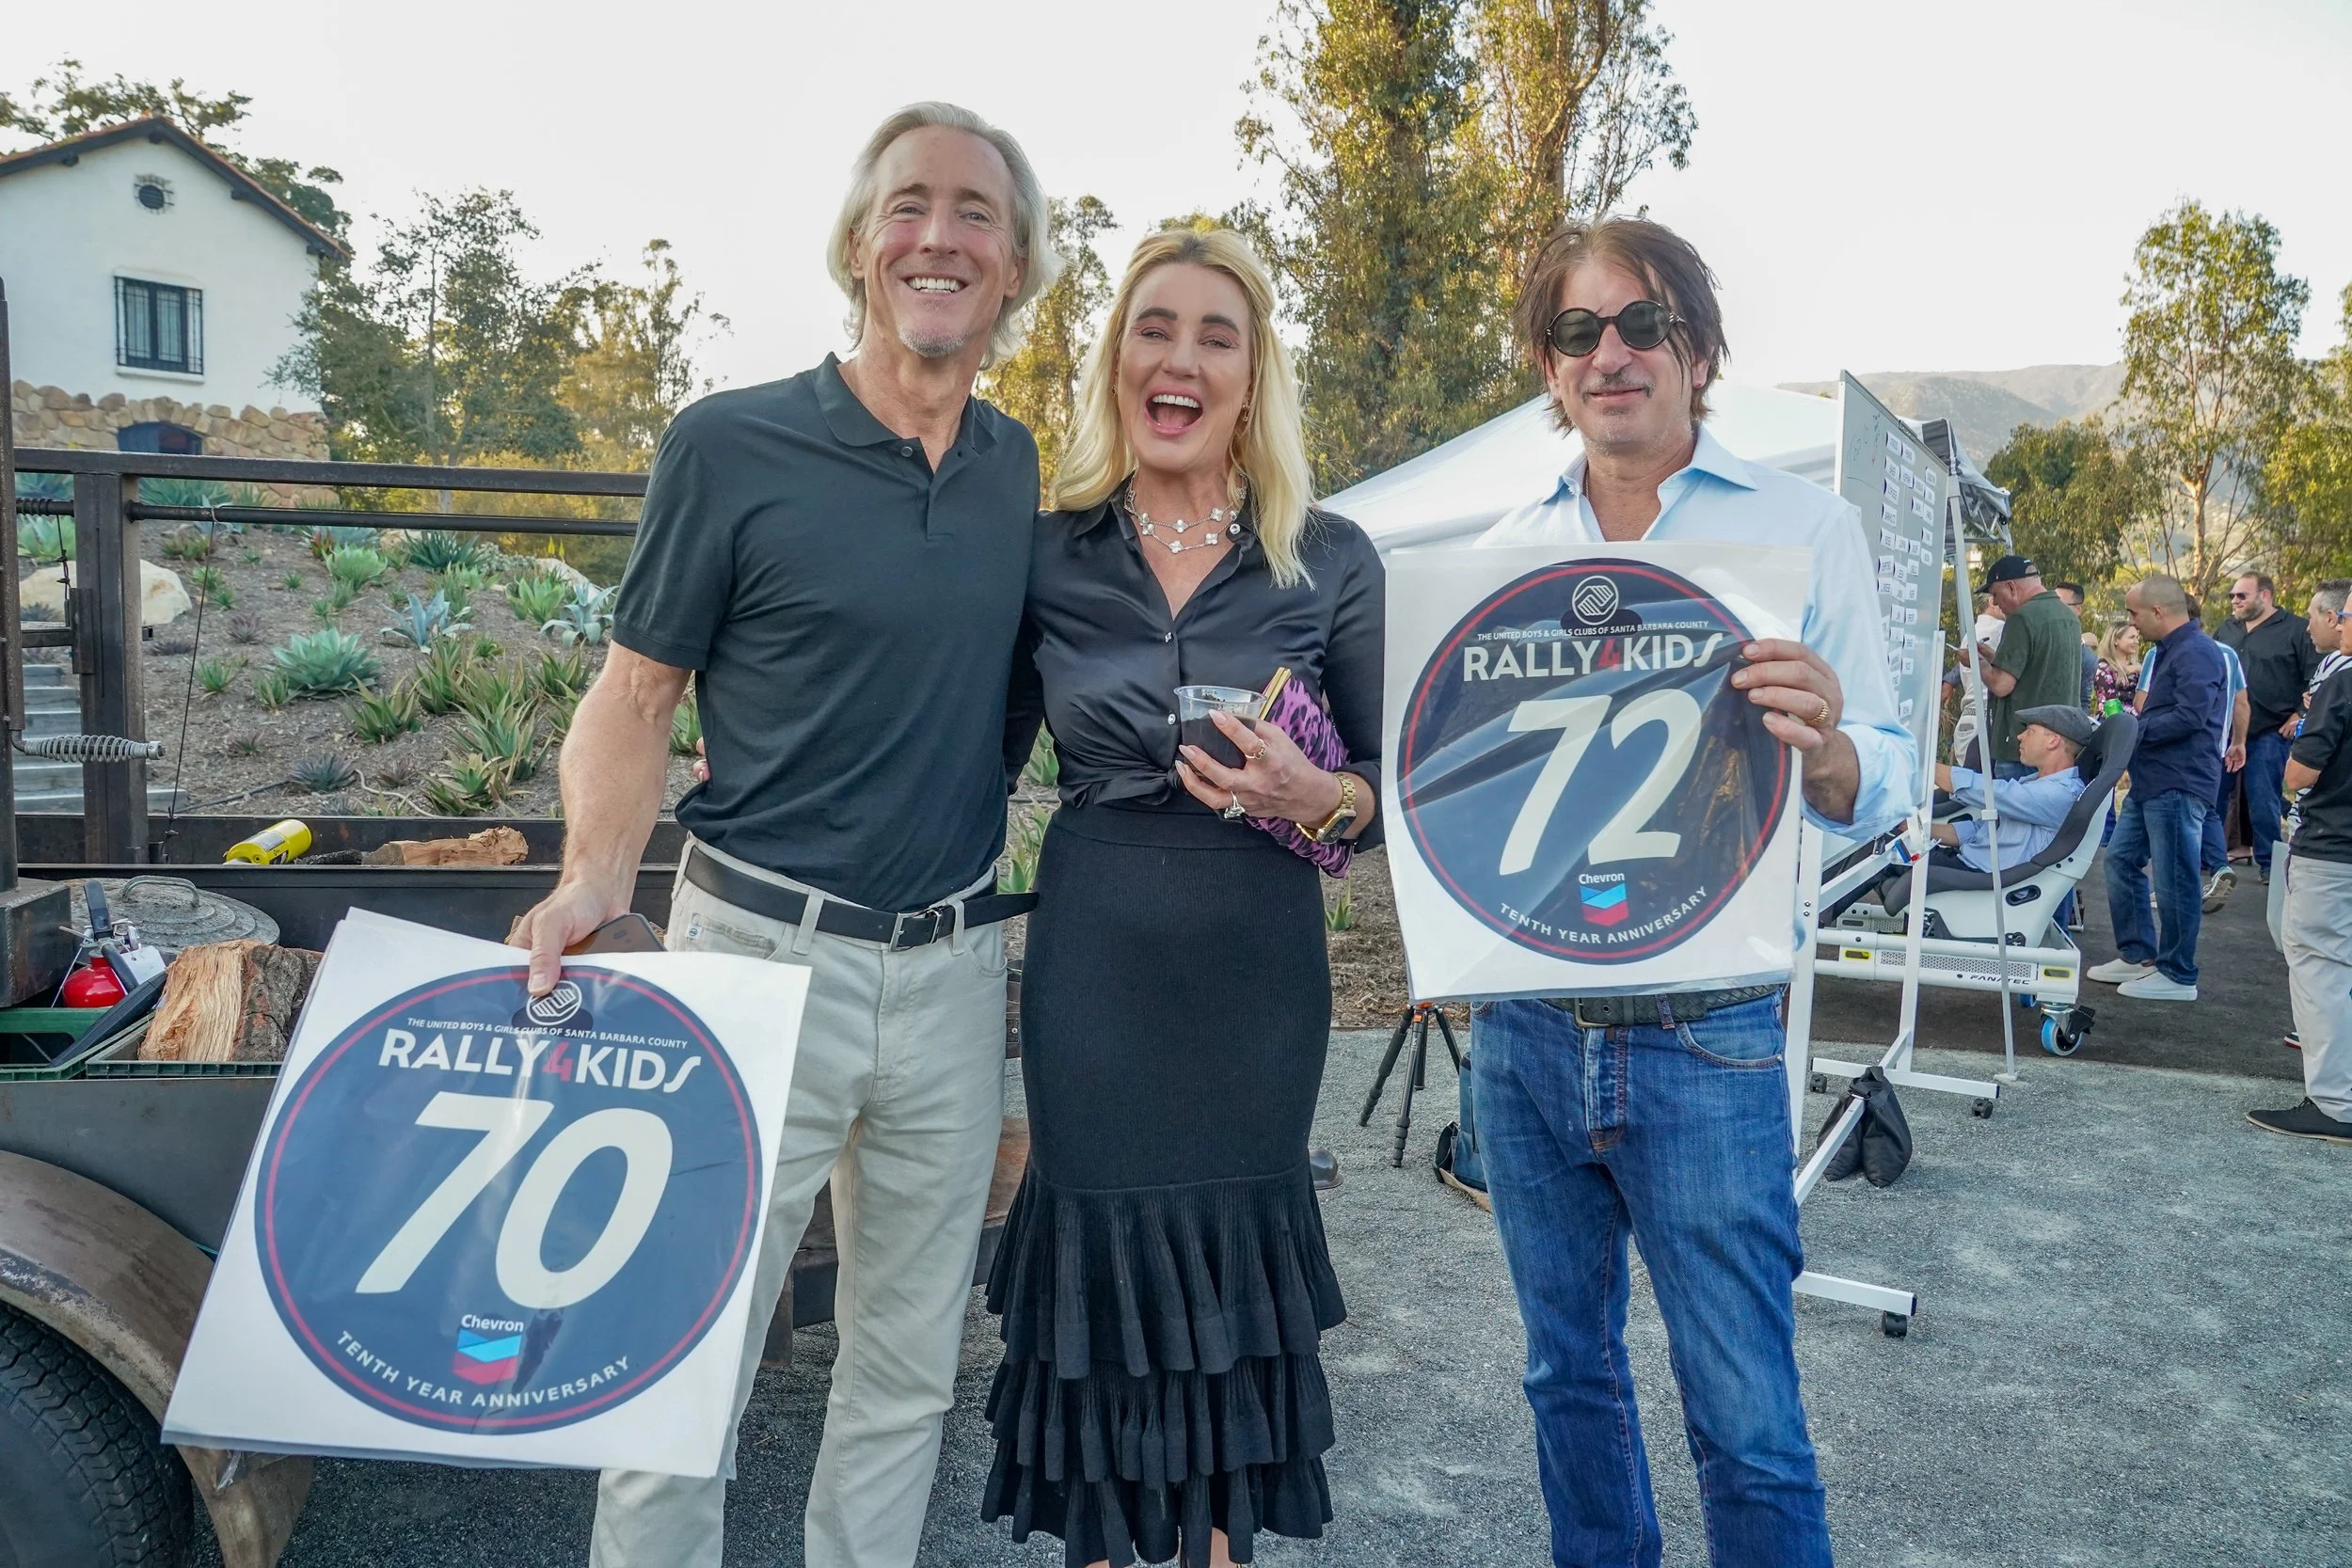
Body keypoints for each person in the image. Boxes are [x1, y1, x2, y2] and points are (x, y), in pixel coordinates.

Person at [509, 103, 1059, 1568]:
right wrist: (588, 882)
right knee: (681, 1361)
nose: (938, 235)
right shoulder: (730, 443)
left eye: (976, 214)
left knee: (904, 1371)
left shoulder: (1024, 480)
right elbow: (632, 696)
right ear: (861, 245)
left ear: (1015, 268)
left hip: (948, 973)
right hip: (750, 956)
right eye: (908, 206)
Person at [1470, 216, 1914, 1568]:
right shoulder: (1498, 546)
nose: (1610, 354)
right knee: (1568, 1378)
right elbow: (1467, 782)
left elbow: (1885, 773)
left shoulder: (1804, 526)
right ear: (1550, 368)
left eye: (1642, 323)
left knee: (1747, 1413)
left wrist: (1829, 745)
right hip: (1528, 1024)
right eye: (1578, 331)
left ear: (1699, 349)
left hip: (1710, 1023)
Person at [982, 228, 1383, 1568]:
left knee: (1227, 1268)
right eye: (1157, 326)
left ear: (1254, 373)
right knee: (1101, 1268)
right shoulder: (1041, 553)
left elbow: (1386, 794)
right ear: (1117, 359)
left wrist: (1315, 794)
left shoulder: (1330, 557)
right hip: (1093, 957)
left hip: (1257, 970)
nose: (1182, 357)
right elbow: (964, 754)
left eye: (1218, 334)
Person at [2090, 575, 2227, 1003]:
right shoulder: (2172, 650)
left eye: (2133, 613)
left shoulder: (2198, 652)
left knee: (2174, 879)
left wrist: (2134, 728)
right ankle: (2138, 955)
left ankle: (2179, 973)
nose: (2129, 622)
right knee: (2121, 861)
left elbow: (2190, 716)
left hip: (2179, 780)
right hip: (2155, 779)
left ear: (2157, 612)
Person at [2257, 598, 2352, 1089]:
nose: (2336, 624)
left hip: (2332, 846)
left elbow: (2299, 774)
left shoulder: (2343, 682)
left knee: (2320, 969)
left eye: (2343, 616)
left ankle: (2335, 1101)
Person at [2217, 571, 2321, 882]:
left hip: (2269, 731)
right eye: (2232, 596)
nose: (2235, 601)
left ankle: (2270, 867)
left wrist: (2299, 713)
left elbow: (2316, 675)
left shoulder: (2296, 630)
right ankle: (2207, 858)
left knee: (2264, 802)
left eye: (2241, 596)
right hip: (2225, 730)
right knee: (2212, 799)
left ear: (2265, 596)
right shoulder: (2227, 629)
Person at [1930, 706, 2092, 871]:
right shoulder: (2035, 783)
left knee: (1907, 870)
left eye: (2030, 731)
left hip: (1981, 878)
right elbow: (1984, 831)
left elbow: (1990, 791)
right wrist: (1920, 830)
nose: (2020, 737)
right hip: (1967, 863)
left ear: (2053, 741)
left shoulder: (2060, 793)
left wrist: (1922, 766)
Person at [1971, 554, 2081, 778]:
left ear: (2011, 587)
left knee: (2014, 810)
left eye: (1995, 595)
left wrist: (1976, 661)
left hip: (2021, 747)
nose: (1995, 603)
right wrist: (1993, 657)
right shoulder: (2068, 616)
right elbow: (2037, 666)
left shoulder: (2021, 618)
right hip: (2057, 746)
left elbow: (2002, 685)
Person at [2053, 580, 2097, 706]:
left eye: (2061, 605)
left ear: (2078, 609)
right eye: (2052, 604)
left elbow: (2083, 701)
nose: (2054, 609)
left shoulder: (2086, 657)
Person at [2093, 619, 2142, 711]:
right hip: (2116, 720)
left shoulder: (2138, 666)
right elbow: (2109, 704)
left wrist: (2140, 670)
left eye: (2137, 638)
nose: (2136, 642)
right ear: (2115, 640)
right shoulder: (2103, 668)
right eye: (2132, 637)